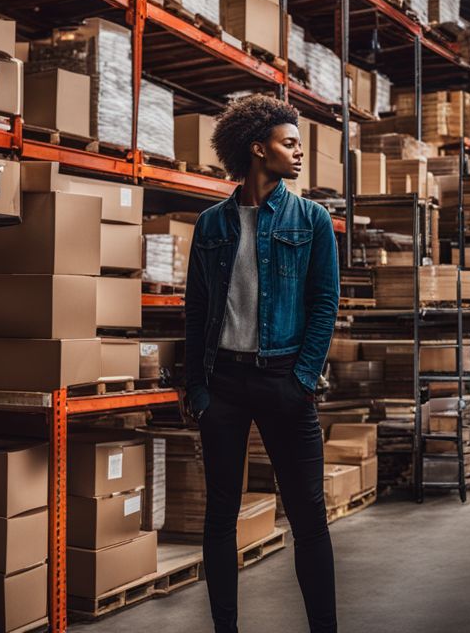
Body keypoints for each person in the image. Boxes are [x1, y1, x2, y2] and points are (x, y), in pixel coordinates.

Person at [182, 94, 340, 633]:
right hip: (221, 385)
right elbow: (197, 310)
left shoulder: (313, 220)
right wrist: (197, 391)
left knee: (308, 518)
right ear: (257, 148)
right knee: (220, 516)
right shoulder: (211, 225)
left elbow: (325, 305)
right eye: (289, 143)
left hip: (283, 382)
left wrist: (301, 380)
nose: (299, 154)